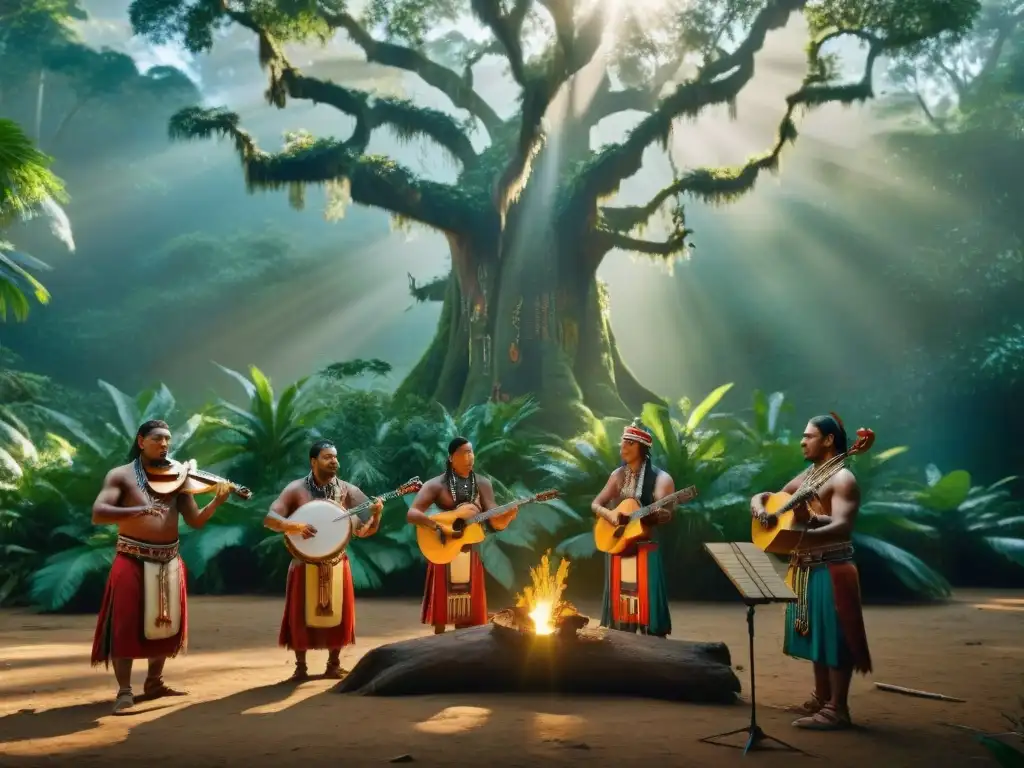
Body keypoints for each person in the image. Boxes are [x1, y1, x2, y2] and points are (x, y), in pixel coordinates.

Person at [91, 419, 232, 714]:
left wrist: (217, 502)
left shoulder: (178, 478)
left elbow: (194, 521)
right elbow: (99, 513)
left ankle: (154, 682)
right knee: (126, 625)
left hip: (169, 558)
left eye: (168, 439)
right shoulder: (121, 476)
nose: (164, 444)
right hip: (131, 557)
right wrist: (139, 509)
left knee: (165, 624)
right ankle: (125, 690)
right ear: (141, 441)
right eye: (157, 439)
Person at [750, 413, 872, 731]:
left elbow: (843, 525)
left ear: (829, 440)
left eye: (809, 436)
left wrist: (808, 524)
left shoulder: (843, 479)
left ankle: (837, 708)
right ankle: (822, 698)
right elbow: (772, 497)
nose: (802, 441)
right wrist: (759, 506)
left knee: (834, 636)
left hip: (832, 567)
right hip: (805, 566)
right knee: (817, 636)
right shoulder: (811, 475)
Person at [264, 439, 383, 680]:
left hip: (336, 561)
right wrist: (294, 525)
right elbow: (270, 519)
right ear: (313, 461)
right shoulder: (296, 489)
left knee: (338, 613)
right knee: (300, 615)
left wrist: (377, 515)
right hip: (304, 561)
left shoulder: (348, 491)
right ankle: (300, 667)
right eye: (328, 457)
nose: (334, 461)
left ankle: (334, 664)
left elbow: (363, 531)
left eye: (335, 457)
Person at [406, 437, 518, 634]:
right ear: (451, 457)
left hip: (470, 549)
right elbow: (413, 513)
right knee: (441, 617)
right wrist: (439, 526)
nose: (469, 457)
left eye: (471, 452)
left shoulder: (483, 483)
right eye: (464, 453)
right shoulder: (436, 485)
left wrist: (506, 516)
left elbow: (492, 517)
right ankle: (438, 648)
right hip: (443, 548)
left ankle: (463, 648)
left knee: (468, 617)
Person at [591, 418, 675, 637]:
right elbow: (595, 504)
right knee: (622, 603)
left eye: (630, 443)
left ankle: (653, 644)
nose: (623, 447)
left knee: (646, 602)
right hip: (619, 545)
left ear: (643, 448)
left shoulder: (661, 479)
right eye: (622, 442)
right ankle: (621, 641)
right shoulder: (617, 476)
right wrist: (611, 515)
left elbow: (666, 512)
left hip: (645, 547)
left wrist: (663, 514)